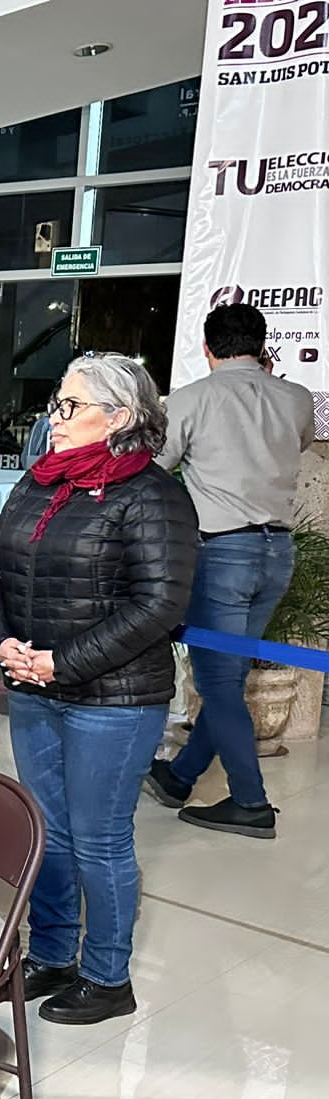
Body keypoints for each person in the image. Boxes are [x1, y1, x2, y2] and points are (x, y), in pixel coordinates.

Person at [0, 353, 197, 1025]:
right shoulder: (39, 483)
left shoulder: (154, 495)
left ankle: (107, 975)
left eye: (71, 407)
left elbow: (158, 606)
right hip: (34, 689)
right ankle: (53, 954)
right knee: (48, 831)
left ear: (120, 417)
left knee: (99, 839)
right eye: (57, 403)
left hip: (115, 700)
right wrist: (3, 645)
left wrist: (59, 663)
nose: (56, 417)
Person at [143, 303, 314, 838]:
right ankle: (181, 776)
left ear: (207, 348)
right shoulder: (296, 398)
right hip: (276, 553)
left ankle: (251, 802)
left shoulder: (191, 400)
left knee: (218, 685)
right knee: (230, 677)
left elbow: (154, 467)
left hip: (221, 555)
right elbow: (302, 443)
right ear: (262, 346)